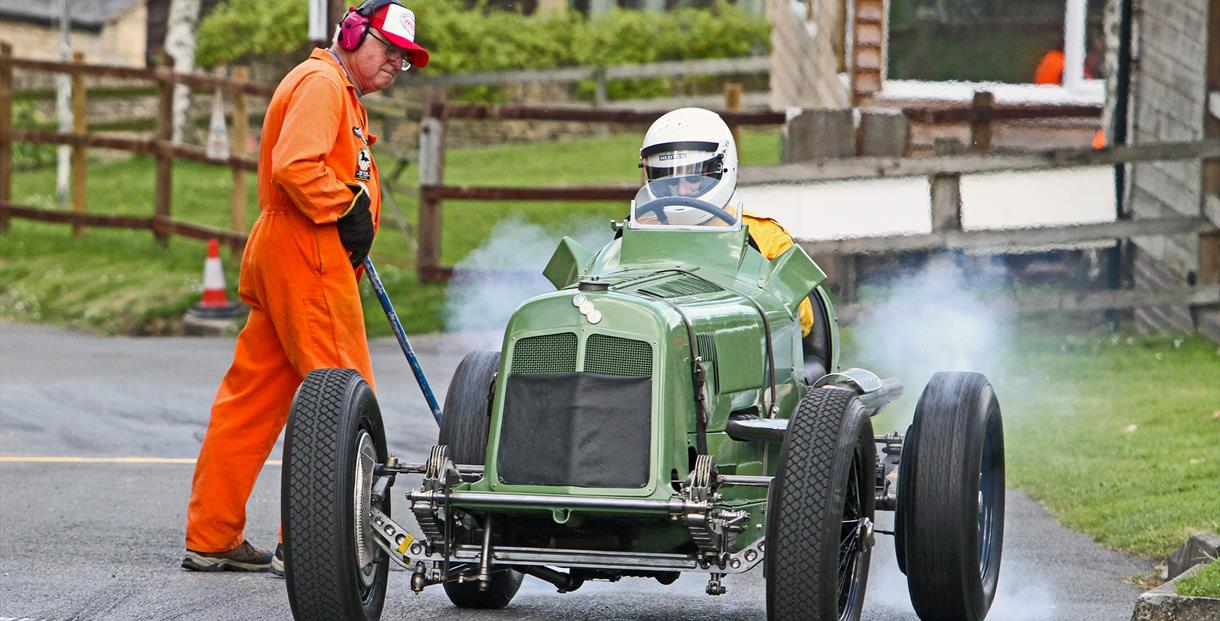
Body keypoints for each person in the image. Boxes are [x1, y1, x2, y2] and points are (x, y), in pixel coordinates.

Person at [181, 0, 428, 574]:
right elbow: (298, 165)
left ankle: (212, 534)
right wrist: (347, 211)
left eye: (404, 57)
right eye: (386, 48)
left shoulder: (333, 89)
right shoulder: (323, 84)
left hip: (286, 247)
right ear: (351, 33)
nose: (394, 62)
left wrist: (352, 224)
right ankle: (313, 546)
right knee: (343, 400)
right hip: (306, 246)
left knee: (254, 398)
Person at [635, 107, 816, 343]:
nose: (681, 191)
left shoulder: (765, 237)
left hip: (747, 351)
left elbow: (802, 320)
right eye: (668, 179)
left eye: (693, 177)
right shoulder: (639, 231)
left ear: (721, 168)